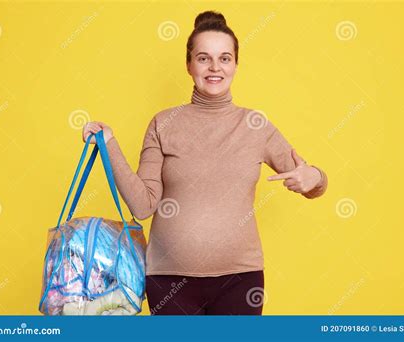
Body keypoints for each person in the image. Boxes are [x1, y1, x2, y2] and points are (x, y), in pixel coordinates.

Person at [82, 10, 328, 315]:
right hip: (168, 281)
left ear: (236, 65)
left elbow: (312, 183)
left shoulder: (255, 125)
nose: (215, 67)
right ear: (189, 65)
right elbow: (143, 206)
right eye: (203, 58)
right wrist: (109, 145)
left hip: (241, 280)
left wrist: (314, 177)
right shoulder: (163, 123)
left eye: (224, 58)